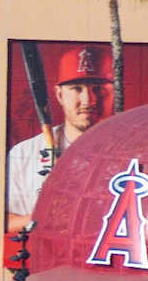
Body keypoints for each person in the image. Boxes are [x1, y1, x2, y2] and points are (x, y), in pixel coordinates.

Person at [6, 43, 113, 232]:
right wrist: (40, 219)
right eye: (76, 88)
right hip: (39, 257)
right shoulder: (24, 154)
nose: (88, 100)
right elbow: (1, 221)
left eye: (97, 88)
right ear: (59, 94)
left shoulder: (129, 154)